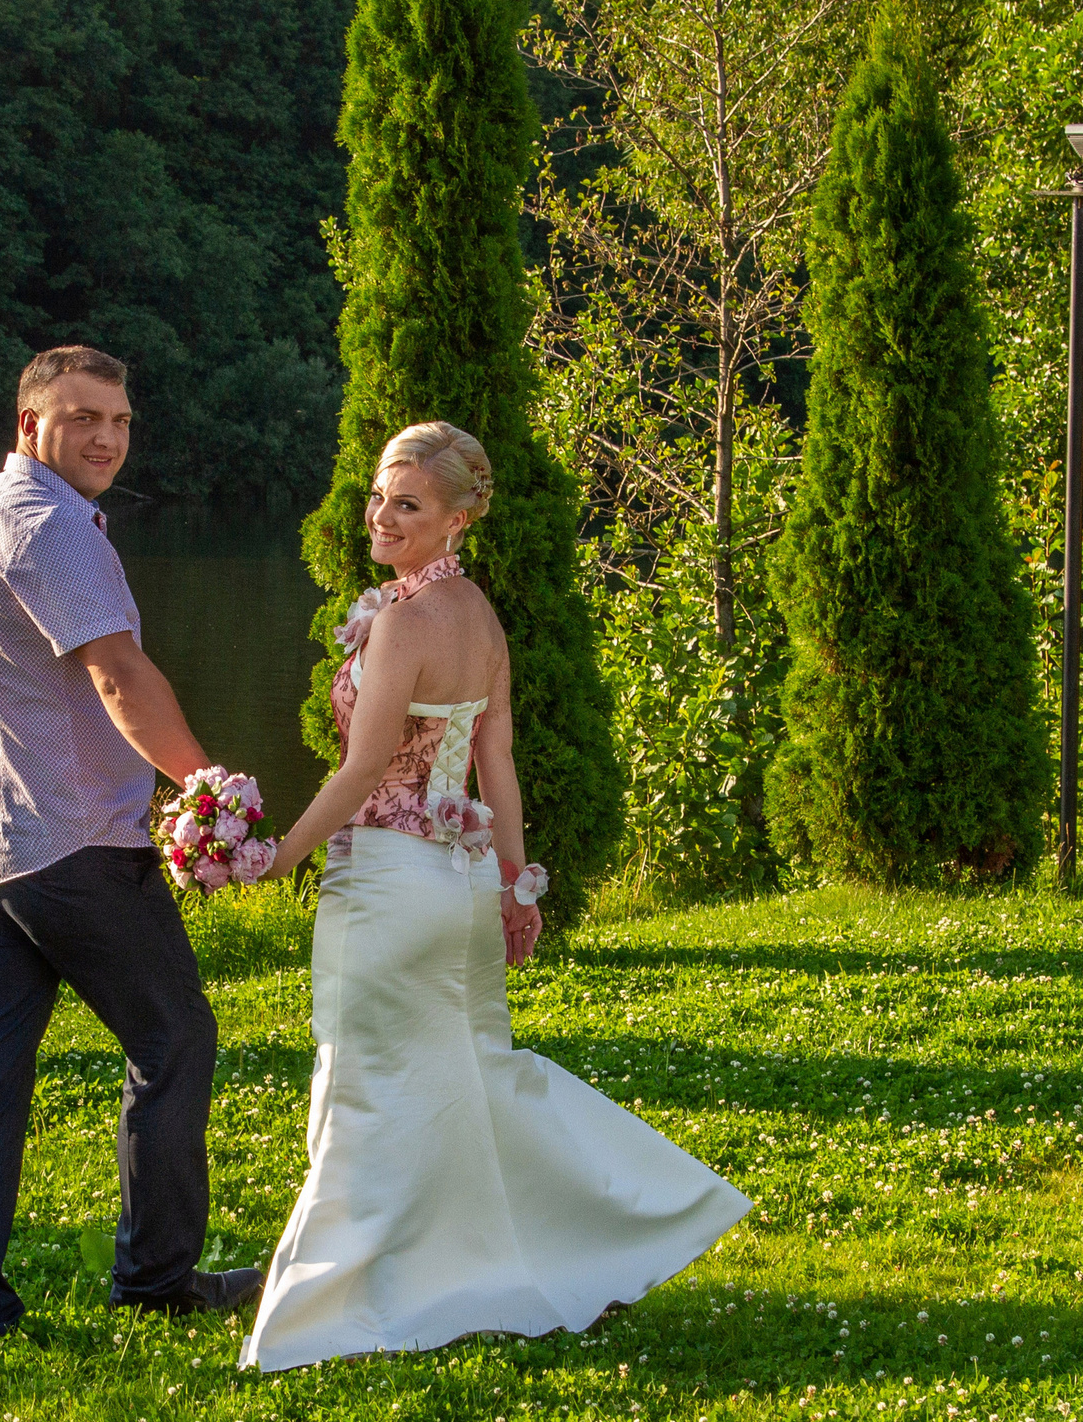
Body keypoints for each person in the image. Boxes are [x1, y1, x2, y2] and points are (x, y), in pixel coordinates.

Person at [241, 422, 747, 1372]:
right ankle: (532, 1247)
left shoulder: (402, 623)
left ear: (458, 518)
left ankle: (328, 1312)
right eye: (382, 497)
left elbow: (356, 776)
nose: (382, 517)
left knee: (366, 1086)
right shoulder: (478, 616)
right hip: (464, 880)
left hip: (389, 879)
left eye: (409, 505)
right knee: (466, 1077)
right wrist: (516, 883)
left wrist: (281, 855)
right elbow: (495, 764)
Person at [0, 344, 264, 1339]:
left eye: (118, 421)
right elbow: (117, 674)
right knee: (175, 1040)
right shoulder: (49, 523)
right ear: (30, 425)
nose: (107, 438)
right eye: (82, 418)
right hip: (68, 846)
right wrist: (204, 788)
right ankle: (156, 1280)